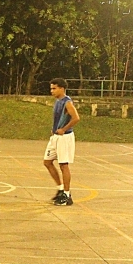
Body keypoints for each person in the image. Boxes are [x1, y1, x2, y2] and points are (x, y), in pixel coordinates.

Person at [44, 78, 80, 206]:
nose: (51, 91)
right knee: (47, 162)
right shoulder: (57, 101)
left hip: (64, 138)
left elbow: (76, 118)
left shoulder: (67, 102)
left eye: (54, 88)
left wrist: (64, 129)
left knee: (63, 165)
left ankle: (67, 194)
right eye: (51, 88)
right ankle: (60, 188)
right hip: (55, 137)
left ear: (62, 88)